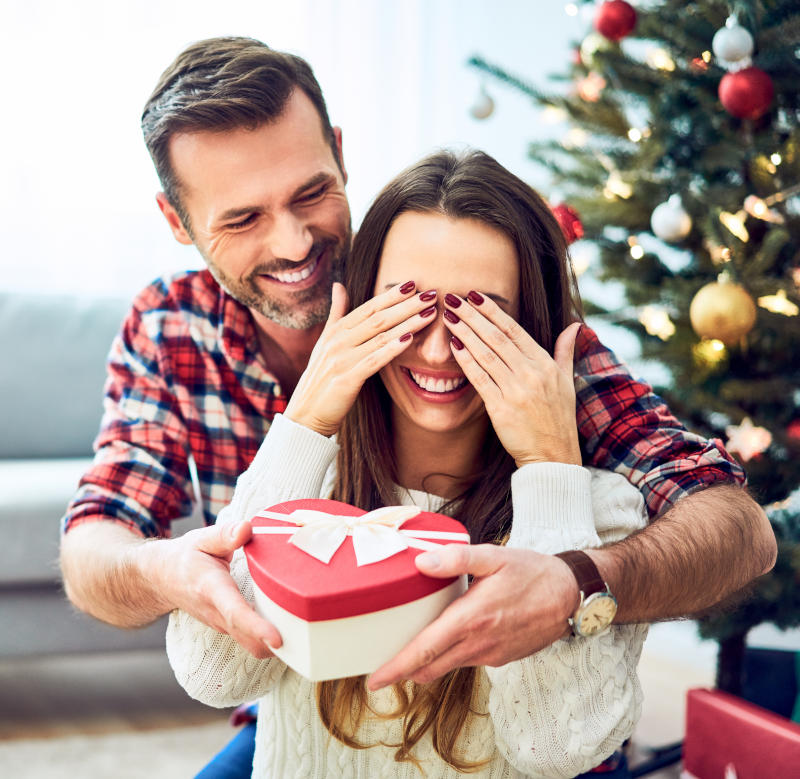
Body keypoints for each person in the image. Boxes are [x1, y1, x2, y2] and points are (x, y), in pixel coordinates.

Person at [59, 33, 773, 729]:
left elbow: (737, 528)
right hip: (296, 711)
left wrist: (580, 581)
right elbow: (95, 545)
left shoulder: (470, 300)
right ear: (175, 220)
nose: (294, 243)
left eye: (311, 192)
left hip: (513, 720)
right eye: (243, 218)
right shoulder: (172, 325)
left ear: (340, 151)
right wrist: (163, 570)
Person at [166, 148, 652, 777]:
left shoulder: (601, 510)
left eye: (482, 320)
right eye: (409, 307)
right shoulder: (305, 473)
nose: (436, 349)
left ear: (534, 329)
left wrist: (549, 467)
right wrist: (305, 420)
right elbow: (214, 674)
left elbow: (556, 747)